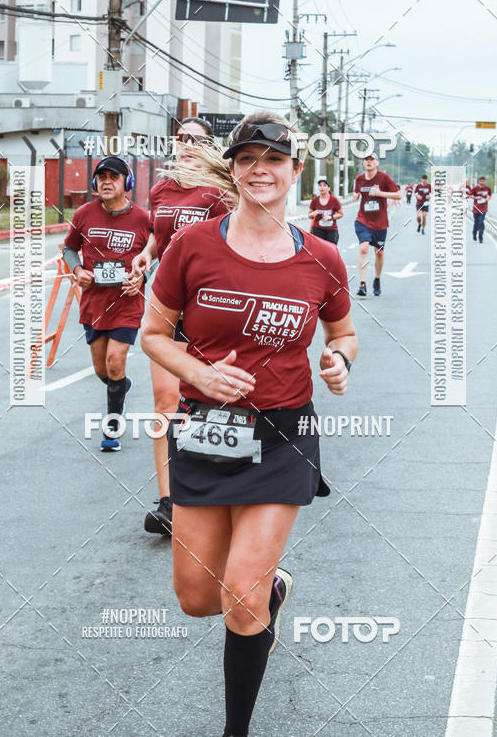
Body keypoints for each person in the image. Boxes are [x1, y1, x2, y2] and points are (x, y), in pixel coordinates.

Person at [140, 111, 357, 737]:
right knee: (198, 599)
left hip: (283, 434)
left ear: (294, 171)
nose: (259, 171)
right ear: (233, 171)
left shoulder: (321, 258)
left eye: (273, 160)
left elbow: (344, 332)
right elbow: (154, 334)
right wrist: (203, 377)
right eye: (247, 160)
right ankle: (274, 591)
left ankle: (236, 728)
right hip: (206, 430)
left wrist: (338, 359)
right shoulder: (192, 245)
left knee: (239, 597)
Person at [132, 117, 235, 536]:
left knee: (211, 400)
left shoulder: (219, 191)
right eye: (181, 139)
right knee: (165, 402)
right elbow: (161, 235)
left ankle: (217, 488)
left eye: (196, 140)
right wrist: (146, 254)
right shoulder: (161, 190)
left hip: (210, 308)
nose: (187, 145)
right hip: (167, 304)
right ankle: (169, 501)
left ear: (209, 146)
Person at [63, 156, 150, 452]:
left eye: (114, 177)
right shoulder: (84, 213)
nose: (107, 182)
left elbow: (157, 250)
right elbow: (69, 248)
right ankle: (120, 388)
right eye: (102, 177)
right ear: (94, 183)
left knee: (116, 362)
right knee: (103, 371)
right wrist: (77, 271)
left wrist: (143, 276)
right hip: (93, 304)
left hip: (127, 303)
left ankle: (113, 424)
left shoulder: (142, 218)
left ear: (128, 183)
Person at [353, 152, 400, 297]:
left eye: (371, 160)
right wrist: (356, 195)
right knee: (363, 248)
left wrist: (380, 193)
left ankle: (377, 279)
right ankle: (362, 284)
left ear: (377, 163)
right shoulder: (359, 179)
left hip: (380, 222)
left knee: (379, 252)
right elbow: (357, 192)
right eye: (366, 160)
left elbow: (397, 194)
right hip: (363, 219)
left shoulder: (383, 177)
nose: (368, 162)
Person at [308, 178, 343, 244]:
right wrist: (312, 214)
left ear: (328, 188)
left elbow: (341, 214)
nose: (322, 187)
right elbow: (309, 215)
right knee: (318, 251)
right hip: (317, 229)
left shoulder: (334, 200)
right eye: (320, 185)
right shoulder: (315, 200)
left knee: (330, 252)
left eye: (324, 185)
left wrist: (331, 217)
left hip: (331, 230)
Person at [471, 176, 492, 243]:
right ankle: (474, 233)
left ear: (485, 181)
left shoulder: (488, 188)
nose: (482, 182)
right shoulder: (475, 188)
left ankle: (480, 237)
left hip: (484, 208)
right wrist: (476, 198)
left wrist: (487, 199)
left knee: (481, 222)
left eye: (483, 181)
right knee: (476, 223)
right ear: (479, 181)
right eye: (481, 181)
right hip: (476, 208)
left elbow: (490, 195)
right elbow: (470, 195)